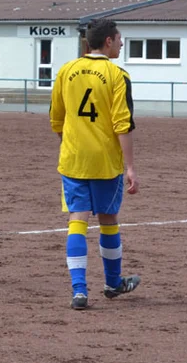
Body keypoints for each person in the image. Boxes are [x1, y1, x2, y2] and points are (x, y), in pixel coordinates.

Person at [49, 18, 140, 310]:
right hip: (105, 161)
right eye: (120, 38)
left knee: (77, 219)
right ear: (109, 41)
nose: (122, 43)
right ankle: (113, 284)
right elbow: (121, 124)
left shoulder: (66, 70)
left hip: (73, 159)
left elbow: (56, 118)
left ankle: (79, 291)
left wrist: (72, 143)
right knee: (108, 220)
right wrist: (131, 166)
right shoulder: (116, 74)